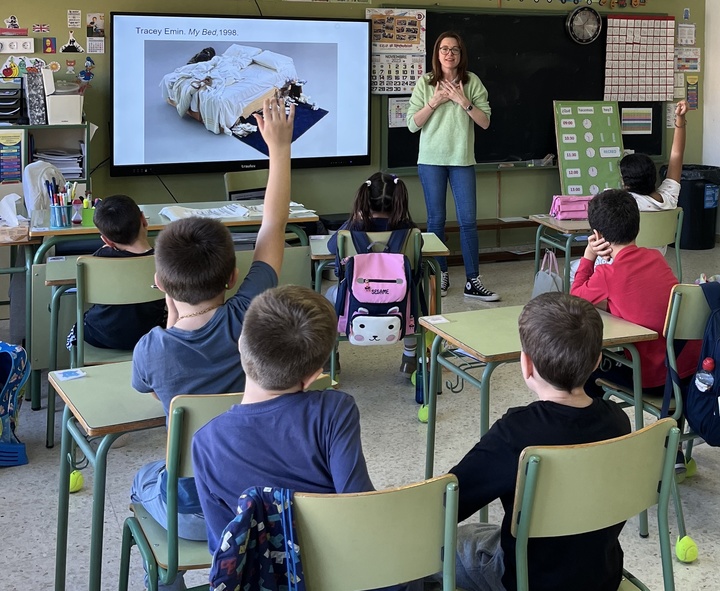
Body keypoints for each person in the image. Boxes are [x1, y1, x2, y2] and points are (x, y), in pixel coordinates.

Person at [130, 98, 294, 590]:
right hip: (256, 500)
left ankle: (169, 580)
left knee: (143, 479)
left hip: (192, 512)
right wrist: (279, 150)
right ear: (234, 276)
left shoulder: (153, 349)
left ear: (159, 281)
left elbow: (142, 385)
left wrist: (172, 310)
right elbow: (273, 225)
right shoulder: (250, 320)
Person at [446, 293, 631, 591]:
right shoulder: (618, 421)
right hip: (602, 575)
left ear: (526, 364)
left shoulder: (516, 434)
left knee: (441, 548)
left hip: (528, 579)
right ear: (598, 360)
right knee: (485, 534)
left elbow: (449, 502)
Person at [570, 189, 701, 401]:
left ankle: (603, 429)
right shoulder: (656, 257)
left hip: (656, 379)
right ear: (637, 227)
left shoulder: (608, 274)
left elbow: (575, 298)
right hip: (690, 370)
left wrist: (589, 255)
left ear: (598, 235)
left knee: (589, 371)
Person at [406, 31, 498, 302]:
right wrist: (435, 102)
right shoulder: (425, 83)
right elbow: (412, 125)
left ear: (461, 55)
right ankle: (440, 274)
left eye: (454, 49)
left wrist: (462, 101)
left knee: (468, 221)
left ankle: (473, 281)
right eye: (444, 49)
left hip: (461, 160)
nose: (449, 53)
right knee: (436, 220)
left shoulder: (472, 82)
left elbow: (485, 122)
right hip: (431, 161)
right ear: (437, 54)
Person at [326, 172, 419, 376]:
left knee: (327, 297)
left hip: (355, 300)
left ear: (364, 200)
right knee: (417, 298)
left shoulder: (352, 229)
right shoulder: (410, 232)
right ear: (399, 201)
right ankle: (410, 358)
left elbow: (331, 246)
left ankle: (331, 357)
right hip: (401, 302)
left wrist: (353, 218)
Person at [66, 194, 166, 352]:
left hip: (101, 336)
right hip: (149, 336)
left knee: (77, 329)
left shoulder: (98, 260)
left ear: (106, 240)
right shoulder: (165, 261)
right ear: (144, 220)